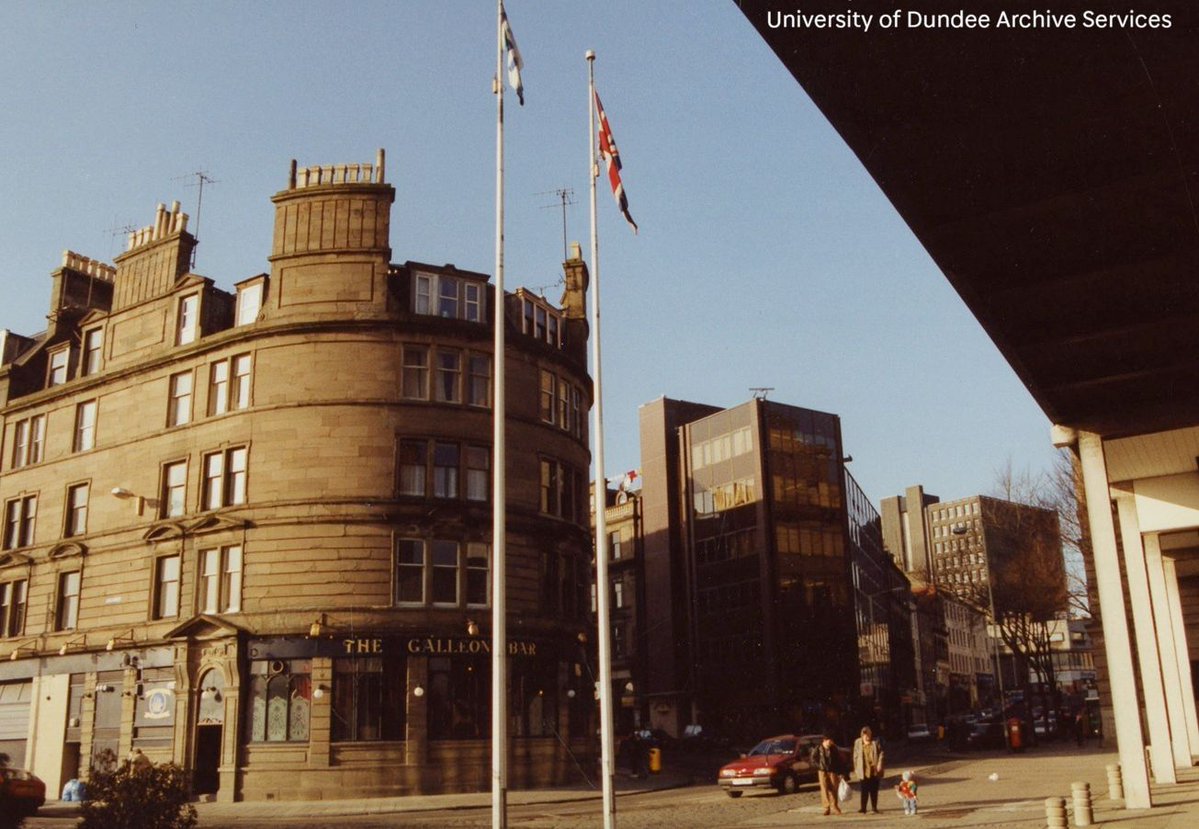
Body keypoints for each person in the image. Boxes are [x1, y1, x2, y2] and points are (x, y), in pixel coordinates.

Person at [852, 726, 886, 814]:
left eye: (868, 735)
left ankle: (874, 807)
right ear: (862, 735)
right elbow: (855, 756)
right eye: (865, 735)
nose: (867, 737)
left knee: (874, 789)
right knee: (864, 790)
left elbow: (881, 753)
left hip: (874, 769)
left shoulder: (875, 742)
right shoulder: (858, 742)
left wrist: (879, 764)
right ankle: (863, 808)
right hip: (863, 770)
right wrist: (856, 768)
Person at [811, 734, 844, 816]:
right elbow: (813, 759)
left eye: (832, 741)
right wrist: (819, 766)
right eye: (830, 741)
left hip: (833, 771)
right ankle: (826, 807)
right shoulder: (818, 748)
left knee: (834, 788)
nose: (831, 742)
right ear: (825, 740)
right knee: (824, 788)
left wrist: (840, 772)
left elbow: (839, 760)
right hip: (822, 771)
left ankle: (834, 806)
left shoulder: (834, 748)